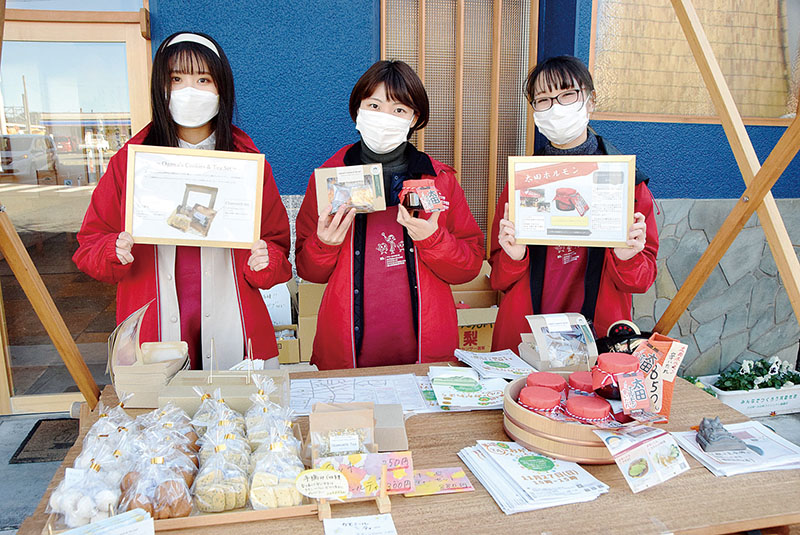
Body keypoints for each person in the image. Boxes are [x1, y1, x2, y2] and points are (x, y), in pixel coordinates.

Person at [73, 32, 292, 369]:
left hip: (236, 327)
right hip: (152, 331)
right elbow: (89, 245)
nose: (189, 90)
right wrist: (111, 250)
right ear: (160, 87)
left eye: (203, 79)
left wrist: (266, 262)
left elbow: (276, 245)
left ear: (222, 88)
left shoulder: (248, 165)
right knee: (163, 420)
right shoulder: (131, 163)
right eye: (176, 78)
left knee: (234, 417)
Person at [295, 60, 484, 370]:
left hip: (427, 348)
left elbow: (469, 266)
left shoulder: (439, 180)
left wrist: (433, 240)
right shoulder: (331, 179)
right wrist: (324, 244)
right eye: (374, 105)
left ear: (414, 118)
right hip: (346, 350)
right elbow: (308, 270)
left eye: (399, 110)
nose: (385, 118)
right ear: (357, 110)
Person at [490, 55, 658, 351]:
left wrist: (626, 256)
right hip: (525, 337)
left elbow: (641, 281)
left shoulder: (628, 182)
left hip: (600, 338)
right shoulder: (522, 182)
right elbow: (499, 278)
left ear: (590, 101)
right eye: (543, 100)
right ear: (534, 112)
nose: (555, 107)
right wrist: (514, 258)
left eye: (567, 94)